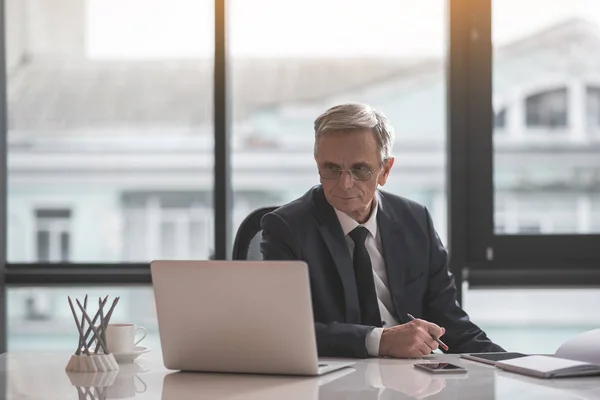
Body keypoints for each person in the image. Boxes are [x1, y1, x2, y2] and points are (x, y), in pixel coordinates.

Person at [260, 103, 505, 358]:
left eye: (360, 169)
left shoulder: (415, 220)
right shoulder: (285, 228)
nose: (345, 184)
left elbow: (452, 326)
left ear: (385, 171)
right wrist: (380, 341)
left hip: (413, 381)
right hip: (334, 379)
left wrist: (519, 366)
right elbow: (283, 330)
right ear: (317, 164)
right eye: (332, 168)